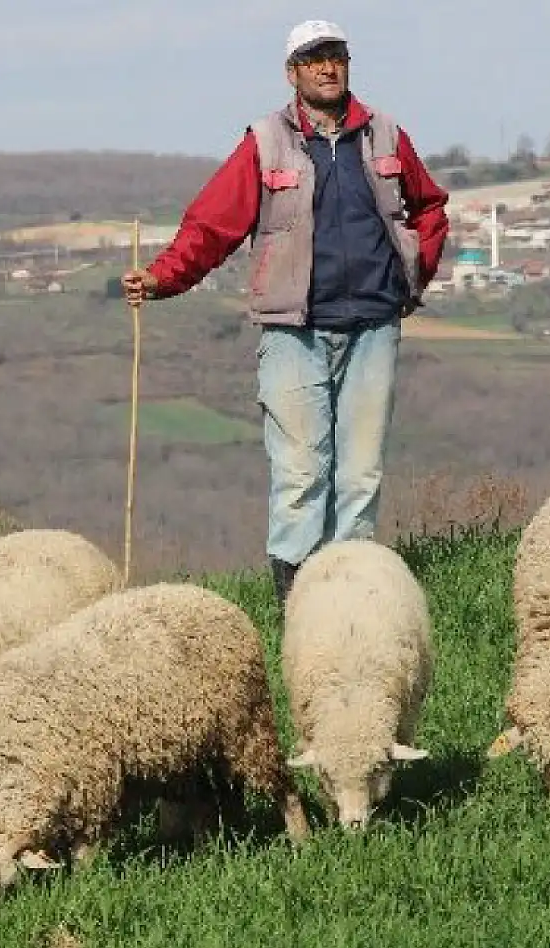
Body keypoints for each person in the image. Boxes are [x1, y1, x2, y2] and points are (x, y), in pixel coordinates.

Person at [121, 19, 450, 611]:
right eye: (314, 58)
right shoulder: (266, 141)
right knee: (301, 472)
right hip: (293, 328)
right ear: (292, 73)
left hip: (374, 323)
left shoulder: (385, 135)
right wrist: (163, 277)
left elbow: (429, 207)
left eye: (337, 57)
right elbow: (212, 225)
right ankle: (295, 600)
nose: (328, 67)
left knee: (361, 473)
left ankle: (353, 597)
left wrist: (412, 272)